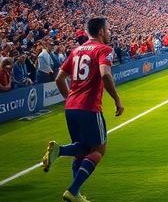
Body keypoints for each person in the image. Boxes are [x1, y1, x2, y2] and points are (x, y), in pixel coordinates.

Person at [42, 17, 125, 202]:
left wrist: (70, 98)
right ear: (102, 32)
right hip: (89, 107)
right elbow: (105, 75)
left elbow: (58, 78)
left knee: (82, 150)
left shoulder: (76, 50)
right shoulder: (104, 49)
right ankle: (72, 187)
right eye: (108, 29)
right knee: (98, 150)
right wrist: (117, 100)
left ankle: (75, 192)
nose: (110, 33)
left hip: (71, 107)